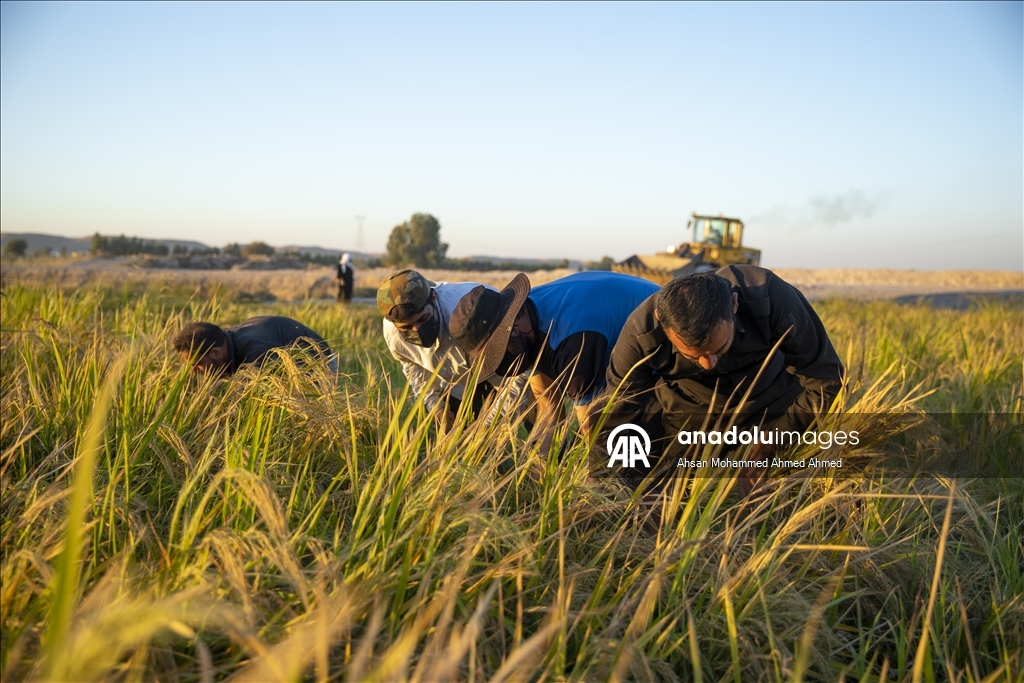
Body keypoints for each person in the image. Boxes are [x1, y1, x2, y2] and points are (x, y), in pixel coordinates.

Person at [605, 265, 844, 493]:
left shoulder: (769, 294)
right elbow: (618, 412)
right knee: (663, 486)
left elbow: (826, 380)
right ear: (661, 320)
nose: (708, 364)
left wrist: (773, 440)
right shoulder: (641, 332)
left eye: (719, 349)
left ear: (734, 304)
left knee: (817, 472)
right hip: (691, 410)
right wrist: (636, 481)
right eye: (693, 356)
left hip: (772, 398)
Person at [449, 271, 660, 452]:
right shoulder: (528, 323)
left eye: (498, 352)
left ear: (513, 330)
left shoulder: (569, 339)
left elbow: (592, 429)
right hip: (613, 340)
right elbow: (549, 407)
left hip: (663, 344)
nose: (502, 361)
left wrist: (588, 487)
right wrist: (537, 471)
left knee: (626, 448)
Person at [378, 269, 528, 426]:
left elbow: (519, 374)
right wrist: (435, 406)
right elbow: (414, 367)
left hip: (507, 374)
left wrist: (487, 426)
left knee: (538, 430)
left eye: (424, 318)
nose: (418, 330)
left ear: (434, 298)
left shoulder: (471, 313)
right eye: (407, 327)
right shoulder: (393, 335)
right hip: (458, 384)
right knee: (451, 435)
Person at [173, 316, 337, 376]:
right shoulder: (226, 340)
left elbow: (253, 397)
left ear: (216, 353)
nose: (193, 371)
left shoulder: (257, 353)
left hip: (318, 362)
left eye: (197, 364)